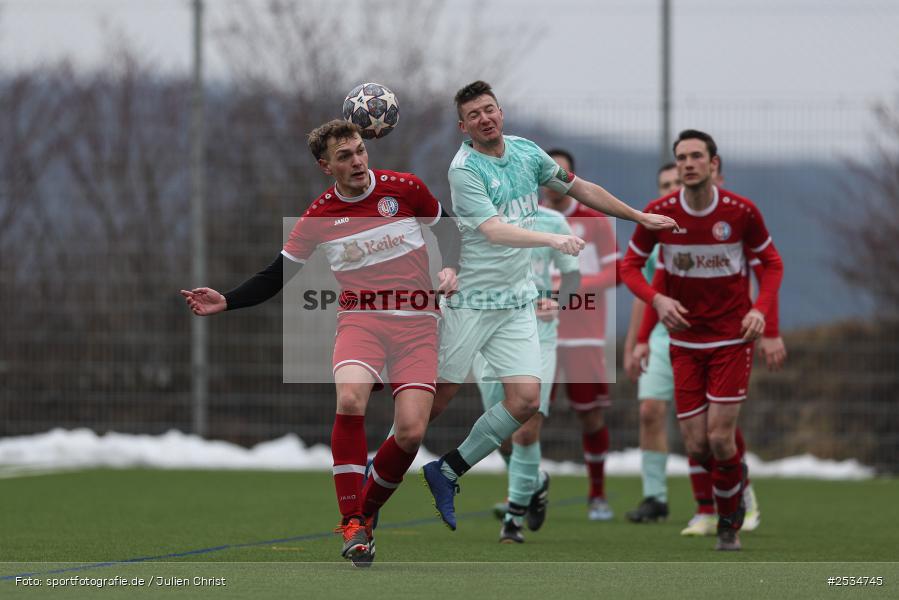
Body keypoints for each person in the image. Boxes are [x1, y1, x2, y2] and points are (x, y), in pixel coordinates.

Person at [180, 120, 461, 566]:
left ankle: (365, 513)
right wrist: (227, 301)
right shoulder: (318, 218)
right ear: (325, 166)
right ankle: (351, 521)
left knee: (410, 432)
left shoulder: (405, 188)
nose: (356, 161)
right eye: (344, 156)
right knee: (350, 399)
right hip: (361, 322)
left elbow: (450, 230)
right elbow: (276, 276)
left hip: (417, 324)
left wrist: (450, 269)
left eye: (359, 151)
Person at [420, 80, 678, 532]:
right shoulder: (468, 173)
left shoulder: (530, 165)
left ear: (501, 112)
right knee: (445, 404)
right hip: (477, 310)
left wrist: (636, 217)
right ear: (464, 126)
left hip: (532, 323)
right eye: (474, 114)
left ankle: (510, 514)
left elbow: (582, 221)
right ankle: (391, 475)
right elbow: (494, 232)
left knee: (528, 416)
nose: (485, 117)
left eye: (490, 109)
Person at [620, 130, 783, 551]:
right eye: (681, 158)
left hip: (731, 341)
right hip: (684, 344)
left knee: (720, 436)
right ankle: (731, 485)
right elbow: (630, 268)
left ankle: (728, 521)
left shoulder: (741, 212)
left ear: (713, 164)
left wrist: (760, 312)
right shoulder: (658, 214)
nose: (688, 164)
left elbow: (771, 262)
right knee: (696, 444)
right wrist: (657, 301)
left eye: (696, 156)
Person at [474, 204, 581, 542]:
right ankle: (533, 483)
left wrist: (559, 301)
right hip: (489, 339)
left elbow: (573, 277)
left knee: (526, 427)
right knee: (502, 436)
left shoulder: (551, 221)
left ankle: (513, 519)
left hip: (539, 337)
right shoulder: (478, 221)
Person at [541, 148, 622, 521]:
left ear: (571, 178)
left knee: (589, 416)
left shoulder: (595, 220)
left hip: (585, 337)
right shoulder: (528, 219)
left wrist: (573, 286)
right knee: (526, 414)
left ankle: (598, 495)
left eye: (562, 174)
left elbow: (616, 273)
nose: (554, 180)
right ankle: (522, 493)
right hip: (540, 333)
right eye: (548, 173)